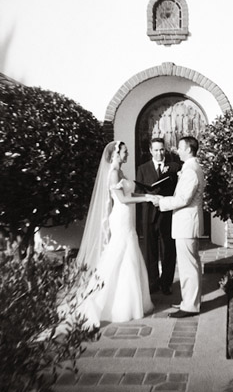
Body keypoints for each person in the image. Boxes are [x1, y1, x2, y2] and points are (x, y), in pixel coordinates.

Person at [70, 140, 154, 326]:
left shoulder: (120, 172)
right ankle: (104, 301)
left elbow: (130, 196)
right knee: (120, 254)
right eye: (125, 152)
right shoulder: (114, 174)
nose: (127, 155)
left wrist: (148, 196)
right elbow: (123, 199)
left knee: (128, 255)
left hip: (127, 217)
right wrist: (146, 199)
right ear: (115, 154)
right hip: (120, 217)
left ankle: (127, 301)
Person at [150, 136, 205, 318]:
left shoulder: (190, 170)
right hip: (188, 223)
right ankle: (191, 301)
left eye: (180, 147)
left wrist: (161, 202)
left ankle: (189, 306)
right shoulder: (192, 167)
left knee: (188, 266)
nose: (176, 150)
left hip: (187, 224)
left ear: (188, 149)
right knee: (191, 264)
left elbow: (183, 199)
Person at [136, 137, 180, 295]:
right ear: (150, 151)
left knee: (168, 250)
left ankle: (166, 283)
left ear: (165, 150)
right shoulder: (142, 168)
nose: (159, 153)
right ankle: (153, 282)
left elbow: (178, 190)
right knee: (150, 250)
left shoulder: (173, 167)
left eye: (161, 149)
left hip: (167, 215)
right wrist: (150, 198)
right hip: (149, 215)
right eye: (155, 150)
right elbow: (139, 192)